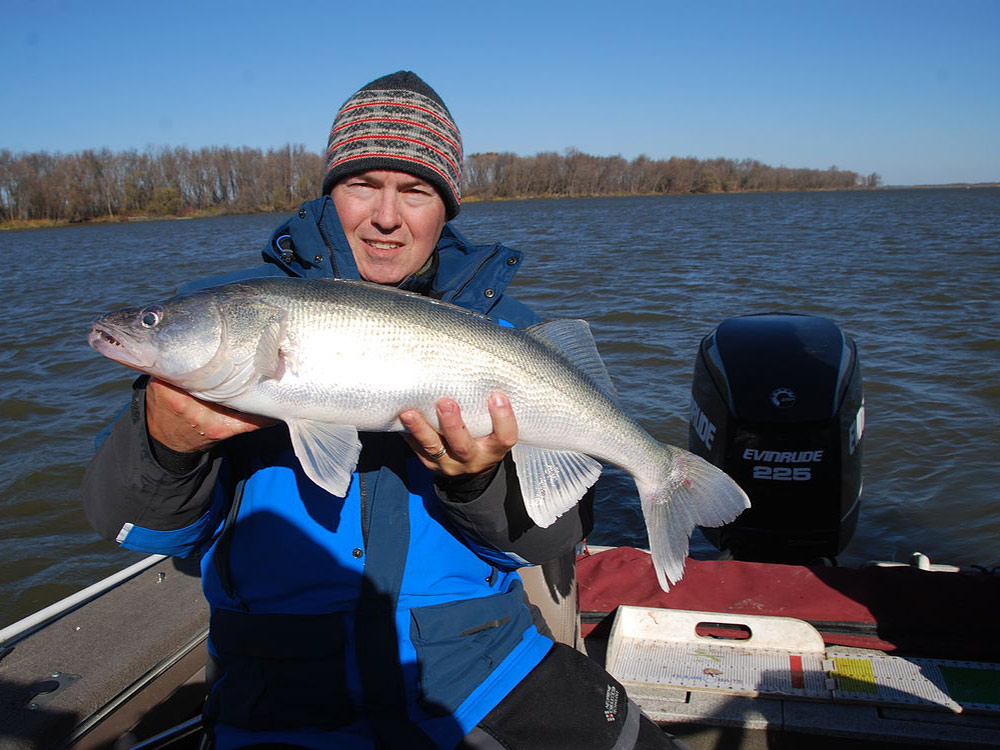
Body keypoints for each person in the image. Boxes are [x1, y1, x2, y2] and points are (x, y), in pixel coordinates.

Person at [82, 71, 681, 749]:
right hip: (279, 688)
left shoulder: (513, 330)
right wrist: (165, 444)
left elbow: (546, 542)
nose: (387, 216)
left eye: (416, 191)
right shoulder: (214, 327)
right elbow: (132, 526)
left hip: (479, 665)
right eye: (363, 184)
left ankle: (663, 474)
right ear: (329, 191)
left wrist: (477, 482)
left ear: (445, 208)